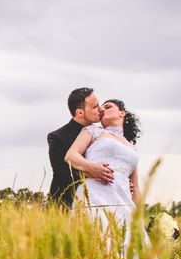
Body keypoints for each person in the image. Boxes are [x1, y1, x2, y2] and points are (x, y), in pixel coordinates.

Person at [64, 98, 141, 229]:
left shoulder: (131, 147)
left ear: (122, 113)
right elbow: (71, 155)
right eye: (101, 108)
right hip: (95, 194)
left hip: (124, 201)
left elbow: (136, 188)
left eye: (108, 106)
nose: (102, 109)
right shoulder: (93, 131)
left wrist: (140, 216)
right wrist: (91, 167)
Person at [47, 88, 114, 207]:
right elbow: (62, 173)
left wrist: (119, 178)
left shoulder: (103, 134)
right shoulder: (57, 136)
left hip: (100, 202)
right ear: (80, 113)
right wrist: (94, 172)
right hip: (66, 203)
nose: (100, 109)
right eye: (95, 106)